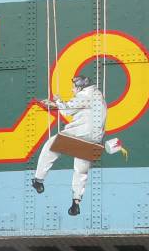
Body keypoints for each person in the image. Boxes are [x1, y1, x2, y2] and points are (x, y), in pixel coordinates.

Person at [30, 74, 107, 216]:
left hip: (80, 134)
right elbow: (82, 107)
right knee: (81, 171)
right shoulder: (98, 96)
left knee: (50, 146)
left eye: (74, 87)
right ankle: (75, 203)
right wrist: (55, 105)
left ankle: (38, 180)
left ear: (81, 86)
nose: (72, 90)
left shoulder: (85, 94)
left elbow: (68, 110)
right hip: (94, 140)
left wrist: (57, 100)